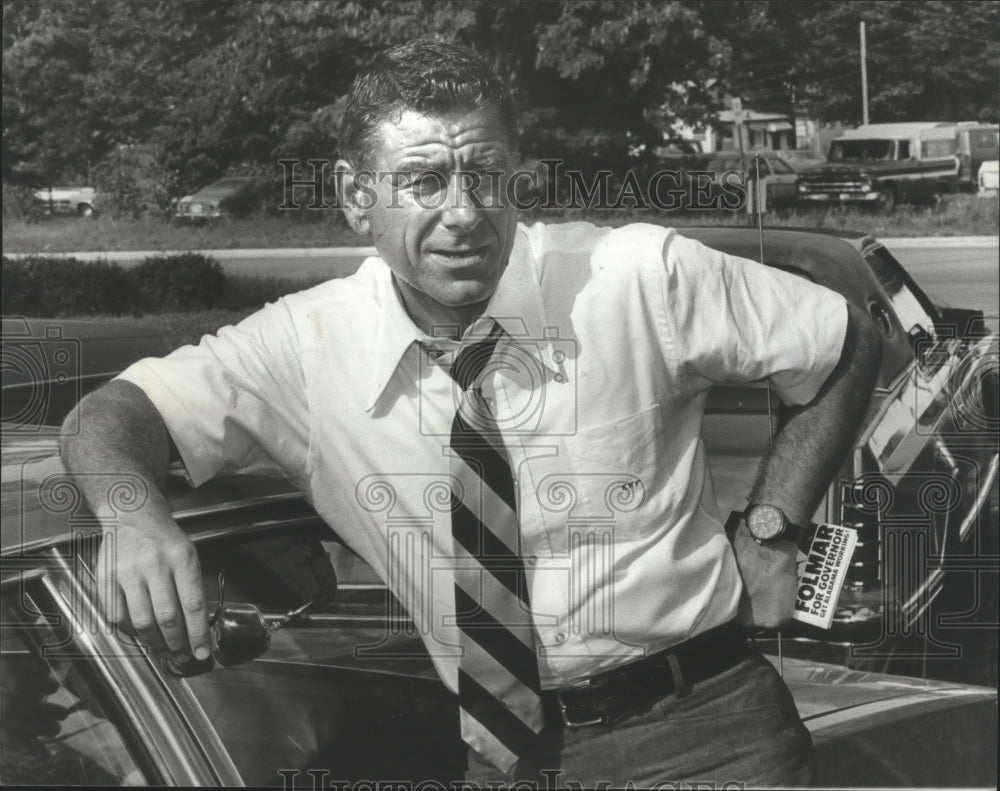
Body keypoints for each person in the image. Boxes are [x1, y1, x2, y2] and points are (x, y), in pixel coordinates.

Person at [60, 39, 881, 787]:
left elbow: (844, 341)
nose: (463, 212)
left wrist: (777, 526)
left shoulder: (637, 277)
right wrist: (132, 515)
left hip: (704, 735)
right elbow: (114, 412)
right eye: (423, 181)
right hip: (500, 758)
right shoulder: (304, 349)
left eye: (485, 175)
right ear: (355, 198)